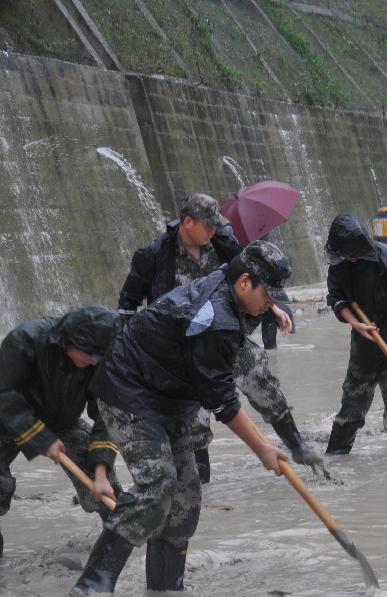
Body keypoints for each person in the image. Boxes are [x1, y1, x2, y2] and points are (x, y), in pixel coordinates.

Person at [71, 242, 291, 595]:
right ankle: (91, 587)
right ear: (246, 282)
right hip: (129, 392)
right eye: (269, 295)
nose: (272, 304)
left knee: (186, 500)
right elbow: (222, 402)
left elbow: (218, 384)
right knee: (156, 488)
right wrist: (264, 449)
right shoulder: (214, 319)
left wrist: (269, 308)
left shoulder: (230, 281)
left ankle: (164, 587)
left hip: (168, 400)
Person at [117, 193, 320, 482]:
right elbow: (126, 305)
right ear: (187, 222)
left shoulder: (222, 244)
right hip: (183, 347)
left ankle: (296, 444)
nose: (213, 231)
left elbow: (251, 276)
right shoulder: (153, 255)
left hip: (225, 335)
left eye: (216, 226)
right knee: (195, 419)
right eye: (207, 226)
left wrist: (272, 306)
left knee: (262, 379)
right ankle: (202, 480)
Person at [0, 306, 122, 558]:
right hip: (6, 419)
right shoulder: (26, 340)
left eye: (98, 358)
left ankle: (117, 544)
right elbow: (4, 394)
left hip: (61, 421)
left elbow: (106, 413)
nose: (92, 362)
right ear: (71, 341)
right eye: (89, 355)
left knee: (107, 486)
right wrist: (40, 438)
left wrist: (100, 471)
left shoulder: (99, 359)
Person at [323, 214, 387, 460]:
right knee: (351, 407)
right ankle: (335, 460)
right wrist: (355, 324)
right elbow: (336, 298)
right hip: (365, 344)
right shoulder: (338, 265)